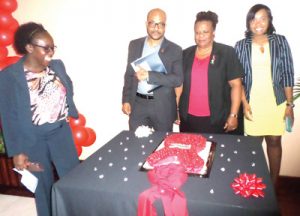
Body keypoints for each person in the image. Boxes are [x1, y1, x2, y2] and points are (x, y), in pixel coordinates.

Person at [0, 22, 80, 216]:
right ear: (29, 48)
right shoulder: (9, 76)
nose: (51, 52)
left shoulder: (57, 65)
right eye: (46, 48)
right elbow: (8, 115)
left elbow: (68, 87)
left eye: (53, 47)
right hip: (33, 139)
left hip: (61, 132)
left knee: (73, 179)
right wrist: (18, 151)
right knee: (42, 184)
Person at [235, 4, 294, 186]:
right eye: (253, 19)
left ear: (269, 21)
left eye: (263, 18)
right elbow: (238, 79)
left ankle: (273, 185)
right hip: (252, 103)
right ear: (248, 22)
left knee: (275, 142)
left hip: (275, 102)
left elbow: (287, 74)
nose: (258, 23)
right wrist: (244, 104)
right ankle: (255, 185)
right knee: (253, 146)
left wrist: (289, 105)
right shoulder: (241, 45)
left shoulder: (280, 41)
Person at [178, 11, 244, 134]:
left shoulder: (226, 52)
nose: (200, 36)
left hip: (217, 119)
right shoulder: (185, 54)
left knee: (216, 152)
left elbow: (236, 85)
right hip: (188, 119)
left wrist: (233, 115)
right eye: (197, 32)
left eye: (205, 32)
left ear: (213, 33)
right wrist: (176, 110)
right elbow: (179, 85)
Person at [122, 8, 183, 132]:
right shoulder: (134, 45)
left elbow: (177, 79)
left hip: (163, 107)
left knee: (162, 144)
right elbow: (129, 74)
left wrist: (150, 75)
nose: (156, 28)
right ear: (146, 24)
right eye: (152, 23)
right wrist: (126, 99)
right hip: (138, 104)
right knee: (137, 143)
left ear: (165, 26)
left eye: (161, 24)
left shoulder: (175, 49)